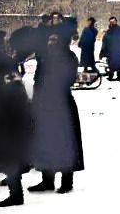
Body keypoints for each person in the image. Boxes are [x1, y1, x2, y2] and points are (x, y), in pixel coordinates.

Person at [0, 26, 33, 208]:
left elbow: (6, 88)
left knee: (7, 153)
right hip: (8, 113)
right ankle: (15, 190)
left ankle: (16, 194)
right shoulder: (3, 61)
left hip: (6, 115)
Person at [28, 32, 84, 195]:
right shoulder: (44, 57)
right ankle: (47, 180)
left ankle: (67, 182)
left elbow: (68, 79)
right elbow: (38, 79)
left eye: (54, 40)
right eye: (49, 39)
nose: (50, 42)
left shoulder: (69, 57)